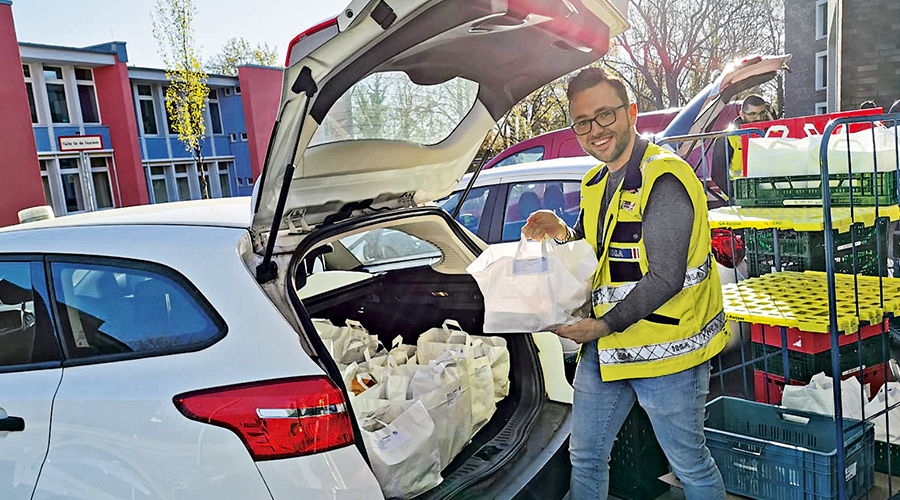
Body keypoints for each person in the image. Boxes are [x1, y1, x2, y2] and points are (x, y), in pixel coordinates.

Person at [522, 68, 729, 500]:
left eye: (606, 115)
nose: (596, 130)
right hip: (608, 351)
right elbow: (596, 251)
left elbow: (666, 276)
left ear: (631, 112)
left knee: (689, 462)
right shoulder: (595, 182)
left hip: (668, 356)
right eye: (583, 122)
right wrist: (562, 233)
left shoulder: (665, 178)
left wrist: (600, 327)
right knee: (586, 456)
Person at [711, 94, 771, 200]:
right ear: (742, 115)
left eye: (762, 113)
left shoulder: (773, 134)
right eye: (753, 114)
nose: (759, 118)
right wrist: (736, 195)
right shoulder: (726, 138)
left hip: (768, 194)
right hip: (739, 198)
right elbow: (718, 174)